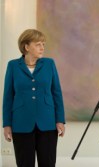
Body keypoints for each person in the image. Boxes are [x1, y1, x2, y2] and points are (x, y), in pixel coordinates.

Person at [2, 29, 65, 167]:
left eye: (43, 44)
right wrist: (7, 124)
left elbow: (56, 92)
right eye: (38, 44)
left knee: (48, 163)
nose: (42, 47)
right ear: (26, 47)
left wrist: (60, 120)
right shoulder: (13, 66)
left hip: (47, 122)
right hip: (21, 123)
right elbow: (8, 96)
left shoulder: (49, 64)